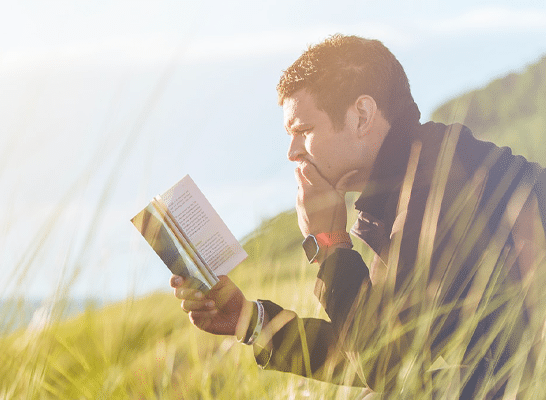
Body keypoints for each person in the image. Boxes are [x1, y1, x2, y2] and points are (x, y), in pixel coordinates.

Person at [171, 34, 546, 398]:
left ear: (362, 115)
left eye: (303, 130)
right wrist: (249, 321)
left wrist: (330, 244)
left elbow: (384, 362)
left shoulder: (442, 180)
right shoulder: (404, 189)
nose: (292, 151)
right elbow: (376, 347)